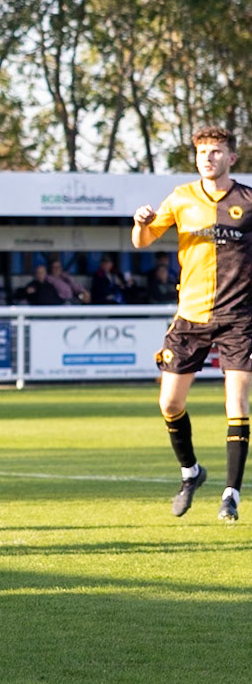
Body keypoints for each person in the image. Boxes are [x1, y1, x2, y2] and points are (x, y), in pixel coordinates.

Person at [132, 125, 252, 522]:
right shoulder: (182, 198)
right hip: (191, 317)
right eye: (203, 152)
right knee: (170, 403)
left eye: (216, 151)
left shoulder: (248, 201)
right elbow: (143, 240)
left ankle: (231, 494)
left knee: (236, 403)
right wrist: (141, 220)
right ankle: (191, 473)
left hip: (239, 319)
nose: (208, 158)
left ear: (231, 157)